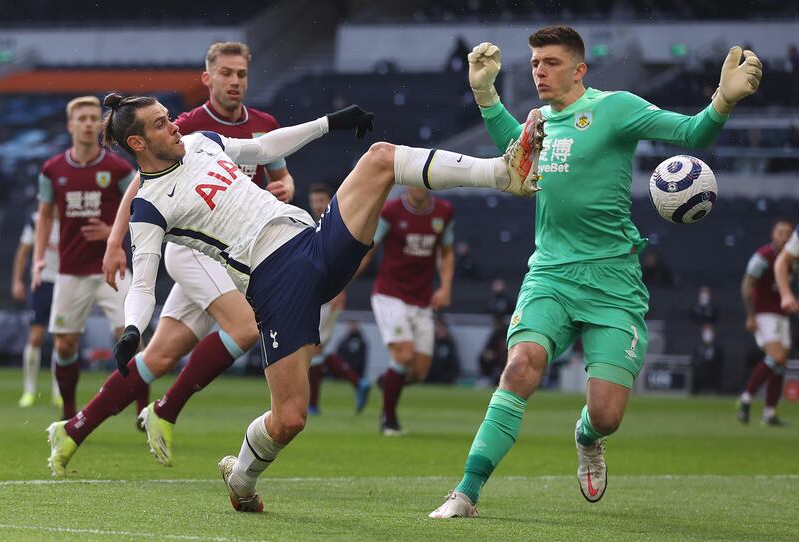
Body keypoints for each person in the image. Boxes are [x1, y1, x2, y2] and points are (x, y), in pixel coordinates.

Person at [51, 84, 542, 510]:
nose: (174, 126)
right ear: (138, 142)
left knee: (380, 159)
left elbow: (265, 146)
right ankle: (241, 478)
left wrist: (331, 122)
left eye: (169, 118)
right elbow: (142, 281)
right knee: (289, 420)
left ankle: (504, 174)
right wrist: (134, 329)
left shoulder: (202, 142)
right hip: (275, 284)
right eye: (162, 125)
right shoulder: (149, 206)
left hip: (312, 242)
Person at [429, 26, 761, 518]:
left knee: (606, 415)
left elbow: (692, 134)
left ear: (580, 69)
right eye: (535, 62)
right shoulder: (537, 119)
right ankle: (466, 492)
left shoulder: (616, 108)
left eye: (551, 62)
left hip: (613, 284)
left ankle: (587, 437)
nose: (539, 70)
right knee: (520, 368)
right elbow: (514, 157)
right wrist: (486, 96)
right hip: (551, 274)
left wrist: (722, 101)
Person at [44, 42, 296, 475]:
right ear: (208, 78)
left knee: (158, 357)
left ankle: (74, 429)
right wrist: (115, 241)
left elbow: (279, 172)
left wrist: (285, 186)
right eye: (226, 73)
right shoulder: (184, 126)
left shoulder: (265, 125)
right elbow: (143, 185)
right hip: (191, 250)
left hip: (229, 249)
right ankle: (167, 409)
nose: (235, 81)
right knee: (246, 327)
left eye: (241, 75)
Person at [32, 95, 145, 422]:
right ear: (70, 125)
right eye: (81, 118)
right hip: (71, 270)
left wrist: (112, 233)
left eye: (93, 118)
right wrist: (39, 259)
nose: (88, 123)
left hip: (114, 267)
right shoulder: (52, 170)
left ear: (100, 124)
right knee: (65, 346)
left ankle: (142, 412)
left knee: (131, 336)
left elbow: (142, 206)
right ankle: (69, 414)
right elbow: (44, 216)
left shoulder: (119, 168)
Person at [360, 186, 455, 435]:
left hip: (422, 299)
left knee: (419, 371)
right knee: (403, 355)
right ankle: (388, 420)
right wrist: (339, 285)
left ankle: (387, 381)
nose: (419, 186)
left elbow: (446, 252)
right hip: (389, 295)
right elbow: (369, 250)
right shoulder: (391, 211)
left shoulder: (444, 212)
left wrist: (445, 288)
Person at [306, 183, 371, 415]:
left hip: (328, 295)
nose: (317, 205)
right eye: (313, 201)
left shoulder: (340, 225)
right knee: (316, 348)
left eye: (321, 200)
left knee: (313, 348)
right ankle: (356, 383)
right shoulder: (316, 225)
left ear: (331, 200)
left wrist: (341, 287)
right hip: (315, 292)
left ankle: (314, 403)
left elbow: (363, 254)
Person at [737, 218, 793, 426]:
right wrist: (751, 315)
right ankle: (746, 398)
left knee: (780, 364)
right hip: (764, 313)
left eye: (788, 233)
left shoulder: (792, 259)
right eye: (781, 232)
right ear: (773, 234)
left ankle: (769, 413)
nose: (785, 236)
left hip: (782, 314)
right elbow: (747, 284)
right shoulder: (763, 257)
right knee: (776, 356)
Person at [12, 211, 61, 407]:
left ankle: (58, 392)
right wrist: (17, 281)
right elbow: (23, 252)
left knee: (62, 339)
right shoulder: (36, 220)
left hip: (65, 283)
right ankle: (29, 391)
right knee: (36, 337)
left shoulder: (72, 218)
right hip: (41, 283)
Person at [690, 324, 724, 394]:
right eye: (706, 332)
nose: (707, 334)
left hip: (713, 373)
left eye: (709, 332)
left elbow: (720, 362)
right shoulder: (698, 347)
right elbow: (694, 360)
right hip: (700, 373)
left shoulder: (718, 348)